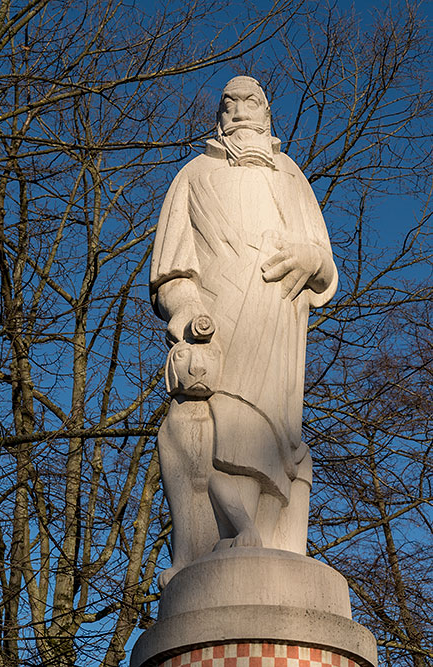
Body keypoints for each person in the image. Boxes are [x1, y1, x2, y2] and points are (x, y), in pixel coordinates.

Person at [151, 76, 337, 585]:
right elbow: (172, 272)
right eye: (227, 103)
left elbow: (322, 260)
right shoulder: (193, 175)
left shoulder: (290, 174)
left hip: (276, 321)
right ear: (219, 114)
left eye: (248, 102)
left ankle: (269, 539)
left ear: (266, 110)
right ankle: (218, 542)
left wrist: (309, 257)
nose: (237, 111)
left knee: (273, 434)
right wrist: (187, 310)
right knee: (211, 429)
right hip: (220, 328)